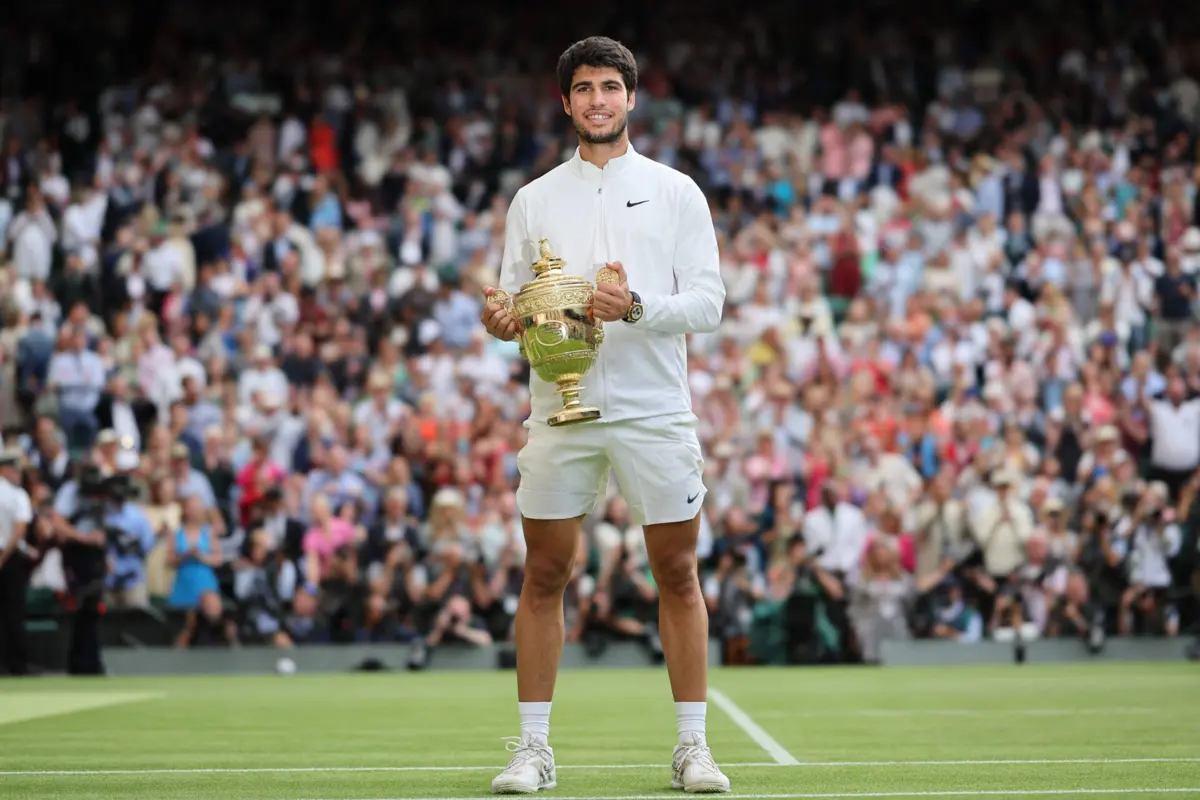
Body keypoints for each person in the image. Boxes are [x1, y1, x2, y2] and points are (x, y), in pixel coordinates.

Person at [480, 36, 730, 795]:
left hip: (654, 408)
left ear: (630, 99)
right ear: (566, 102)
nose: (597, 100)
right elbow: (513, 303)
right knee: (545, 573)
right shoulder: (533, 199)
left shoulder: (677, 190)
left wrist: (639, 306)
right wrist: (503, 322)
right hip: (559, 409)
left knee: (677, 572)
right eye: (584, 87)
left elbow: (710, 303)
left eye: (610, 87)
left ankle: (693, 749)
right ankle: (532, 750)